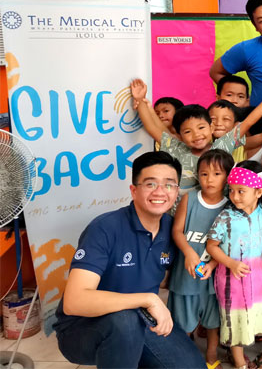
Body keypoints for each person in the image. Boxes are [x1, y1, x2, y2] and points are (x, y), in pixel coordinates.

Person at [53, 151, 205, 368]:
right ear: (134, 190)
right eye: (150, 184)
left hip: (140, 319)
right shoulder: (105, 228)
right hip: (82, 329)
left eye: (169, 184)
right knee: (124, 322)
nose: (160, 191)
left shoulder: (172, 230)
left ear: (176, 191)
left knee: (192, 365)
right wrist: (149, 299)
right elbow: (74, 302)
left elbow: (168, 277)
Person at [131, 78, 262, 192]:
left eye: (201, 127)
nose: (196, 135)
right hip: (181, 215)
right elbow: (151, 127)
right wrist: (140, 100)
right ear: (180, 135)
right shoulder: (175, 148)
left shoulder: (221, 147)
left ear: (211, 127)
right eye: (188, 131)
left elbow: (248, 122)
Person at [168, 149, 234, 367]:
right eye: (204, 174)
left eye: (217, 174)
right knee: (182, 323)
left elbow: (229, 244)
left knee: (213, 322)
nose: (209, 179)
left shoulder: (230, 206)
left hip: (213, 279)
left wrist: (213, 264)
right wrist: (189, 252)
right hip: (184, 277)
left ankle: (211, 355)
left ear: (228, 177)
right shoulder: (189, 199)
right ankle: (185, 356)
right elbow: (177, 231)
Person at [206, 161, 262, 369]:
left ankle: (239, 353)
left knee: (249, 315)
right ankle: (239, 362)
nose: (234, 196)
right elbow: (211, 246)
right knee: (235, 320)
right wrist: (231, 264)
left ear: (258, 192)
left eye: (241, 191)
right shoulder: (226, 217)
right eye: (232, 190)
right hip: (231, 280)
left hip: (256, 277)